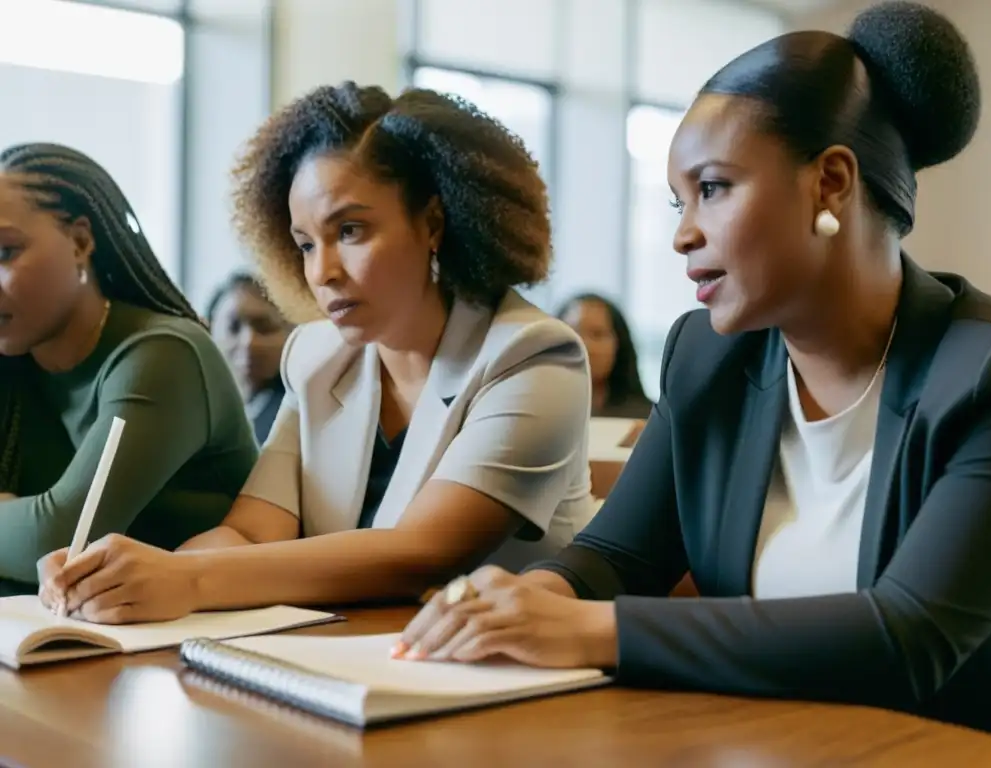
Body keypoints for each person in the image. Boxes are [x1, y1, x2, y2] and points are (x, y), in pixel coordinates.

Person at [396, 2, 991, 740]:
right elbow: (616, 555)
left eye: (713, 188)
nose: (682, 234)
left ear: (830, 183)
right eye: (677, 201)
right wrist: (526, 597)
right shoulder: (710, 356)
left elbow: (908, 639)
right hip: (756, 743)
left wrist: (592, 632)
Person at [38, 82, 593, 623]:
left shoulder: (534, 355)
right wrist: (129, 577)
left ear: (433, 223)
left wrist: (188, 582)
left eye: (349, 230)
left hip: (505, 684)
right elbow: (250, 533)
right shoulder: (317, 356)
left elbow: (421, 554)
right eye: (305, 244)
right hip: (348, 665)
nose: (321, 272)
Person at [0, 143, 257, 596]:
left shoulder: (163, 353)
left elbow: (59, 538)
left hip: (199, 639)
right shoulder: (15, 360)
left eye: (4, 252)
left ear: (80, 242)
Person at [207, 272, 292, 444]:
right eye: (233, 327)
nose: (249, 342)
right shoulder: (192, 409)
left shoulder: (298, 415)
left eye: (264, 328)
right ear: (209, 332)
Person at [557, 293, 652, 419]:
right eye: (573, 333)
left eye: (597, 334)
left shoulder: (650, 420)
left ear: (619, 343)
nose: (585, 345)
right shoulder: (537, 413)